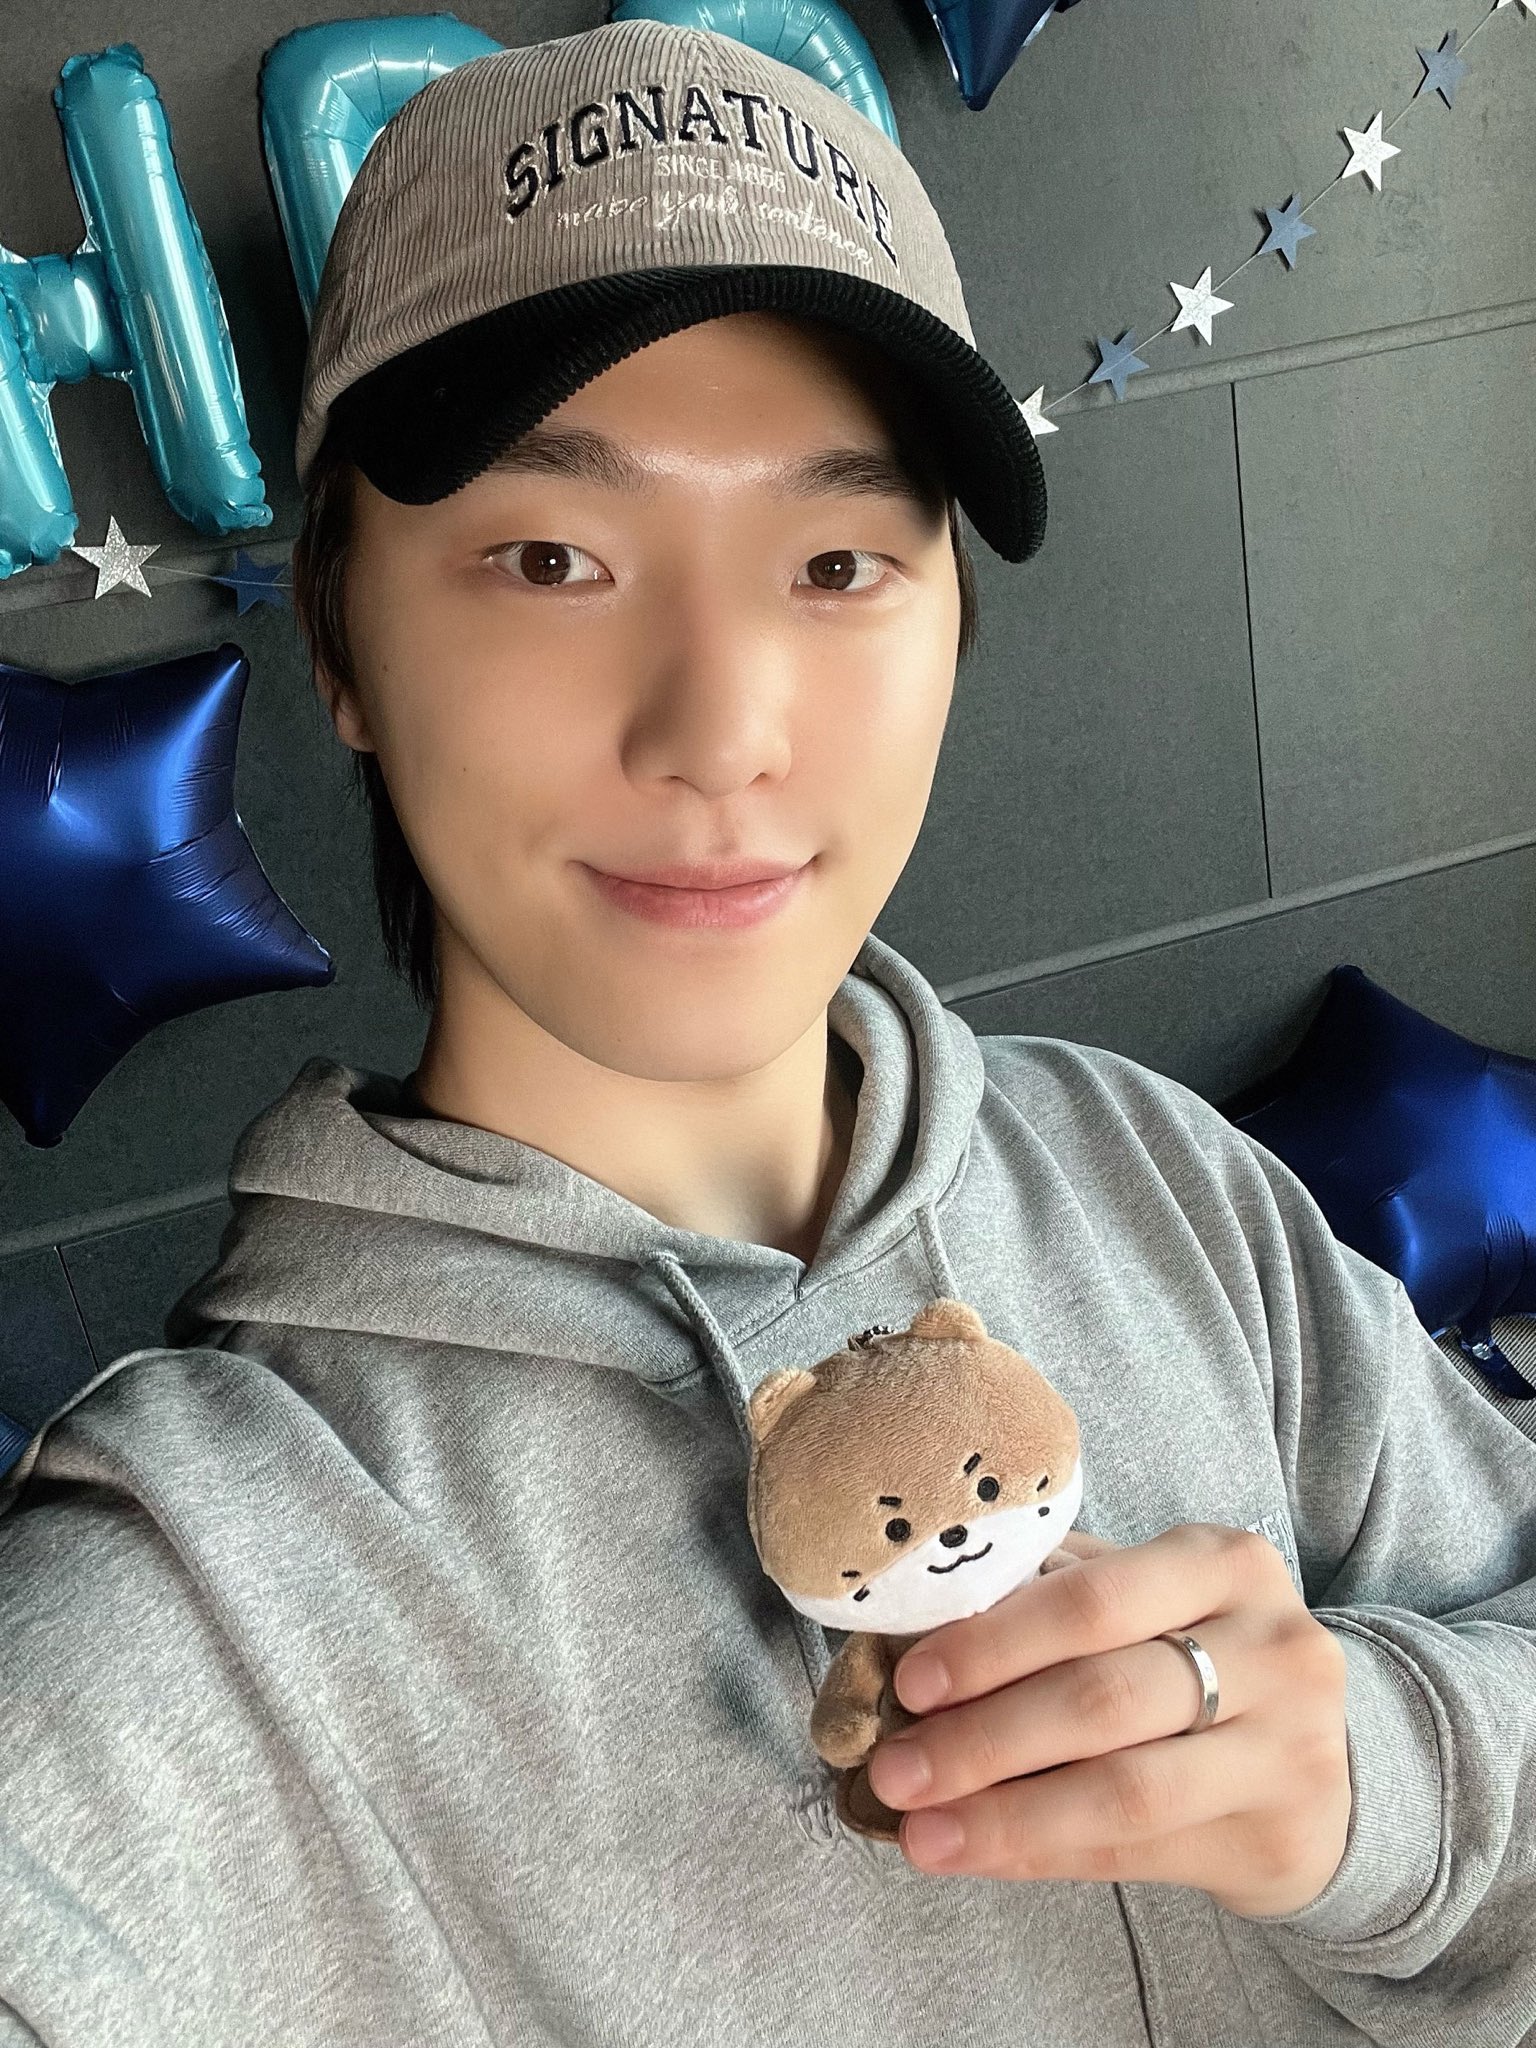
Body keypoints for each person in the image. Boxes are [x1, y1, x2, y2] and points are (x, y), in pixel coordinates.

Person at [2, 17, 1533, 2048]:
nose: (722, 730)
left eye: (834, 561)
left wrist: (1383, 1781)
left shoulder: (1155, 1175)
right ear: (344, 638)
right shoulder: (200, 1592)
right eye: (553, 558)